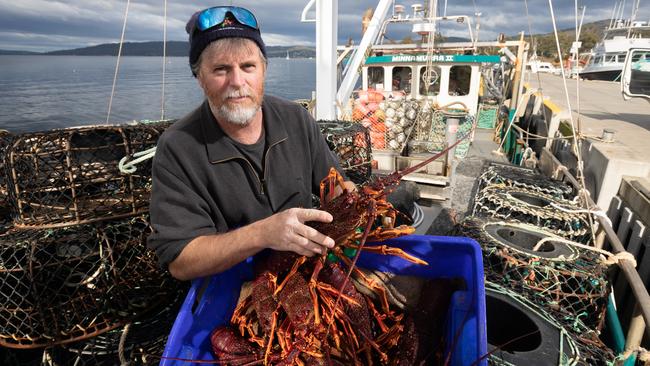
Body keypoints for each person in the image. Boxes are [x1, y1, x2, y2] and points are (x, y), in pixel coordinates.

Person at [147, 6, 354, 281]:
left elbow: (337, 189)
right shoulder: (178, 146)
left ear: (264, 70)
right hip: (233, 284)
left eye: (248, 67)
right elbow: (181, 261)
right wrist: (263, 233)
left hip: (307, 269)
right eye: (221, 69)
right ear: (199, 78)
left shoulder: (296, 119)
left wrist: (354, 201)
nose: (237, 82)